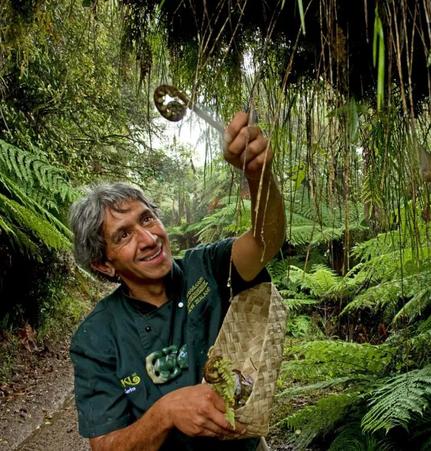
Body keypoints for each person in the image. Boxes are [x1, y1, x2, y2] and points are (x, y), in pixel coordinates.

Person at [68, 111, 285, 451]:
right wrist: (165, 412)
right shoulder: (96, 338)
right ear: (104, 265)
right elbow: (106, 445)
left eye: (147, 219)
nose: (149, 238)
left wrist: (258, 175)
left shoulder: (207, 267)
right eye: (124, 235)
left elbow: (263, 243)